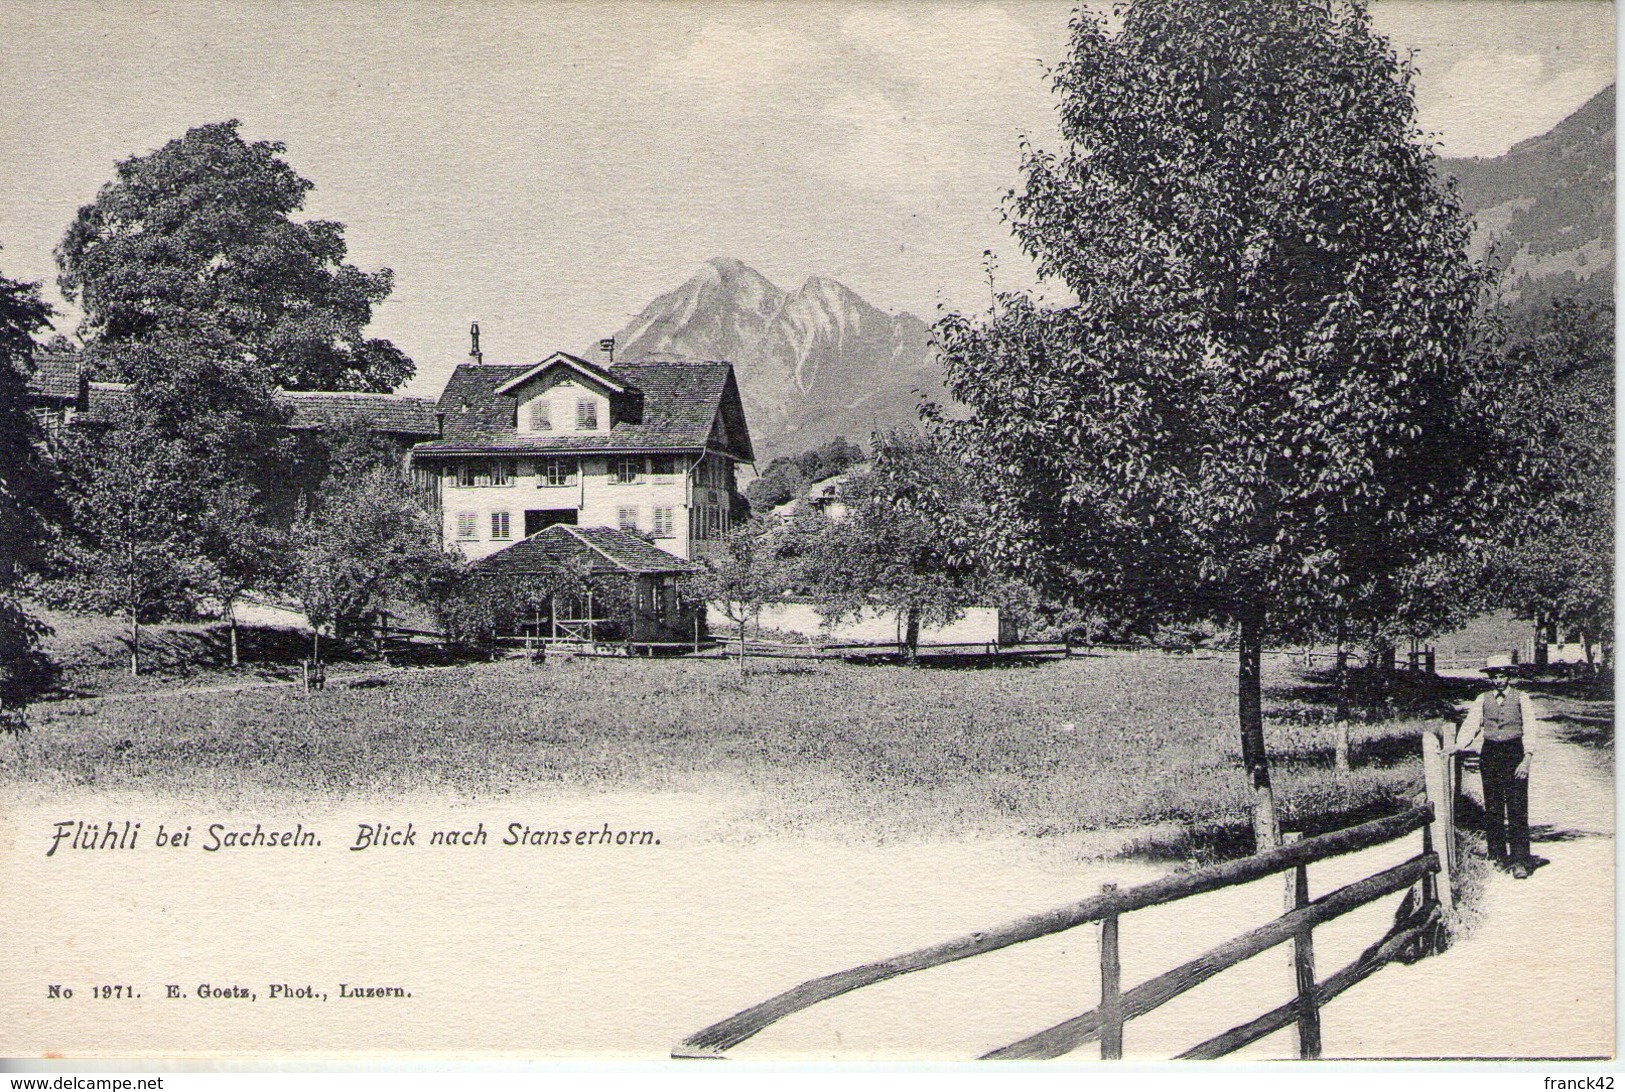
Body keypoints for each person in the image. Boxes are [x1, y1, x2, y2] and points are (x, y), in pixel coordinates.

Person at [1454, 673, 1542, 878]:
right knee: (1493, 807)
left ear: (1509, 677)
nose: (1498, 680)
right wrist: (1457, 746)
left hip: (1514, 753)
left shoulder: (1522, 698)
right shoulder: (1482, 699)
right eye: (1494, 676)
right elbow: (1471, 725)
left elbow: (1530, 729)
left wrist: (1526, 759)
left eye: (1502, 676)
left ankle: (1520, 860)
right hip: (1490, 754)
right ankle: (1497, 857)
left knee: (1517, 807)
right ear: (1490, 678)